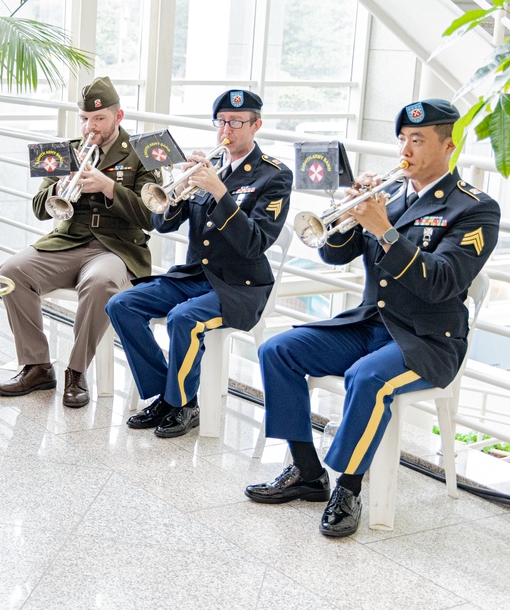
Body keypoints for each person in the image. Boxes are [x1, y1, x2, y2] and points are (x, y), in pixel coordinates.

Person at [245, 99, 500, 537]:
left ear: (449, 147)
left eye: (418, 140)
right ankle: (307, 472)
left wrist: (384, 229)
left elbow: (441, 282)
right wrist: (347, 214)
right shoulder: (391, 193)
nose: (407, 150)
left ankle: (348, 487)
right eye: (403, 139)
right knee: (278, 350)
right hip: (370, 324)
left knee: (368, 378)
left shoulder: (475, 209)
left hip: (426, 340)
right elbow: (333, 253)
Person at [107, 90, 292, 437]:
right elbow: (163, 223)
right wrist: (176, 187)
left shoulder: (274, 176)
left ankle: (183, 404)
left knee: (183, 318)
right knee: (122, 305)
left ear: (256, 126)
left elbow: (254, 244)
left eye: (237, 122)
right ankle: (166, 394)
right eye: (221, 121)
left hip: (241, 285)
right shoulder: (209, 168)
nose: (227, 129)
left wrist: (220, 192)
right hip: (196, 276)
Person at [0, 76, 159, 408]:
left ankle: (76, 370)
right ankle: (37, 365)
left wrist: (109, 187)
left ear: (118, 116)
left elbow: (152, 217)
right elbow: (40, 209)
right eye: (84, 119)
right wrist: (59, 187)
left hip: (116, 248)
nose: (90, 127)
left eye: (99, 119)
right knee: (11, 272)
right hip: (67, 242)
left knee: (100, 282)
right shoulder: (64, 150)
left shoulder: (142, 153)